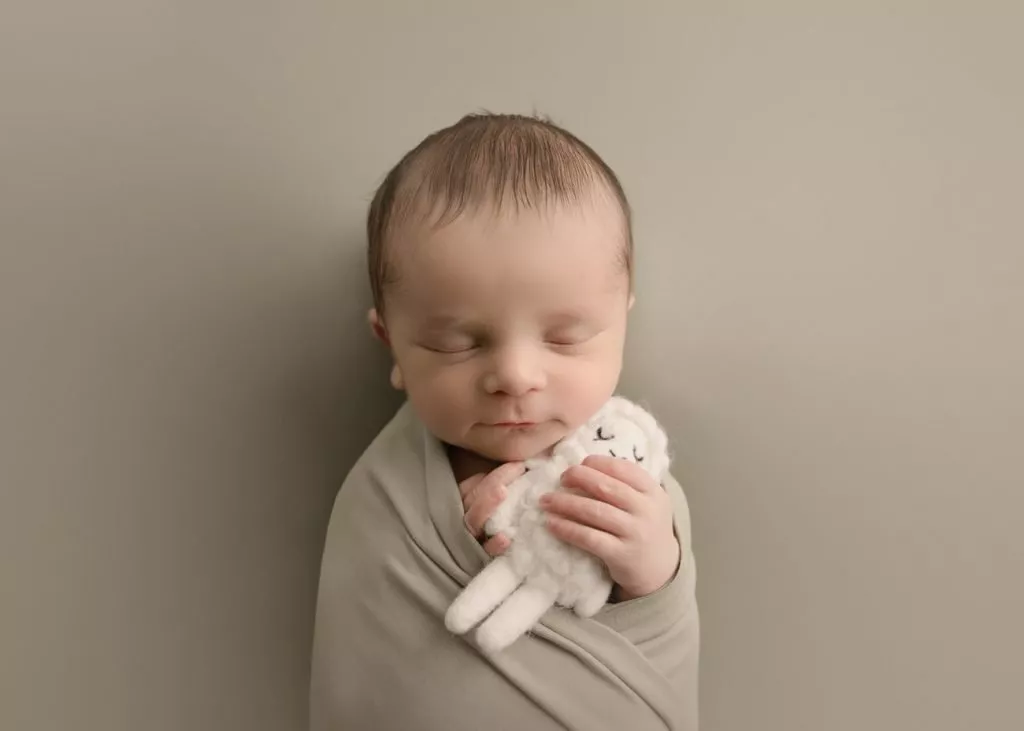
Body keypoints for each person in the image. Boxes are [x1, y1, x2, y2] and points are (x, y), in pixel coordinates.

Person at [310, 113, 699, 730]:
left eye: (565, 337)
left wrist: (648, 564)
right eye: (457, 343)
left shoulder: (632, 475)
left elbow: (658, 633)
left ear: (622, 318)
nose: (515, 376)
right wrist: (461, 538)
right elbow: (370, 663)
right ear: (393, 347)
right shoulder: (382, 499)